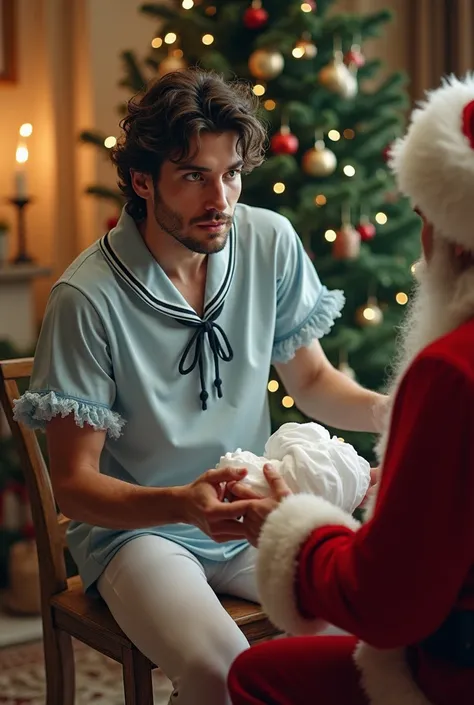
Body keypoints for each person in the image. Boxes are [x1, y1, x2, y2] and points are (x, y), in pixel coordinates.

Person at [13, 68, 385, 705]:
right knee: (220, 673)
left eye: (232, 173)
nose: (221, 199)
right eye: (194, 176)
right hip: (141, 535)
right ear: (141, 180)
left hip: (254, 508)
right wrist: (183, 504)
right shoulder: (86, 299)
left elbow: (315, 381)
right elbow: (76, 486)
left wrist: (399, 411)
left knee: (370, 622)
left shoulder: (269, 241)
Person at [227, 73, 474, 705]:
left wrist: (289, 529)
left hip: (451, 674)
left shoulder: (450, 371)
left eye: (424, 221)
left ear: (453, 235)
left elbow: (388, 603)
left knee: (254, 675)